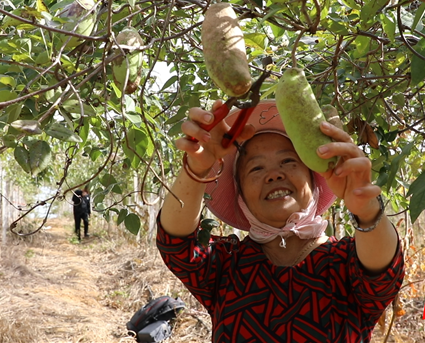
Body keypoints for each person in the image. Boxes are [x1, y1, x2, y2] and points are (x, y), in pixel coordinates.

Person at [158, 100, 404, 342]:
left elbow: (383, 272)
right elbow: (176, 245)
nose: (274, 175)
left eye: (288, 161)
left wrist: (367, 209)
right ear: (240, 193)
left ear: (312, 178)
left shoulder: (346, 263)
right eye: (256, 169)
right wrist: (197, 168)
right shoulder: (225, 266)